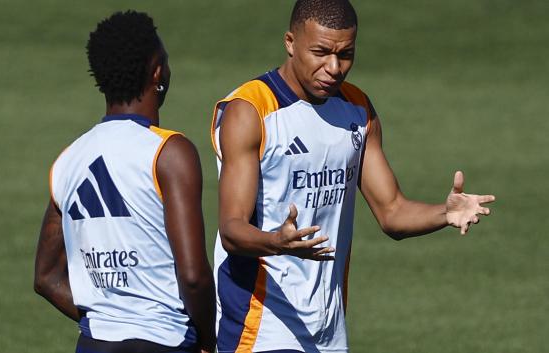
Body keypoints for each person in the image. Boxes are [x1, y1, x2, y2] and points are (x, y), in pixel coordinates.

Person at [211, 0, 496, 352]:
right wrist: (277, 242)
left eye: (345, 54)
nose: (333, 67)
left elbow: (392, 212)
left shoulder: (357, 109)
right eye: (320, 53)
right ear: (290, 42)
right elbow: (232, 229)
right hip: (259, 324)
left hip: (329, 330)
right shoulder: (251, 111)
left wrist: (445, 212)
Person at [34, 10, 215, 353]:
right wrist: (209, 341)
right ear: (157, 71)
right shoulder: (170, 152)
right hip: (167, 342)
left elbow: (47, 278)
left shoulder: (69, 160)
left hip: (94, 344)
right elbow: (193, 276)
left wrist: (109, 319)